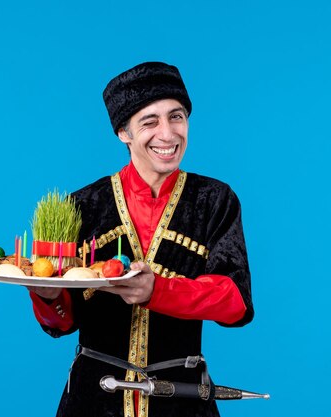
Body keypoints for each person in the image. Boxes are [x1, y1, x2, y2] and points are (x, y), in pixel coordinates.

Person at [28, 62, 254, 417]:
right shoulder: (80, 206)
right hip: (92, 400)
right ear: (123, 132)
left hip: (182, 400)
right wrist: (46, 296)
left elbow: (235, 303)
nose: (168, 134)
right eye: (150, 122)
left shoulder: (215, 199)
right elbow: (62, 324)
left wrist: (157, 292)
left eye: (176, 117)